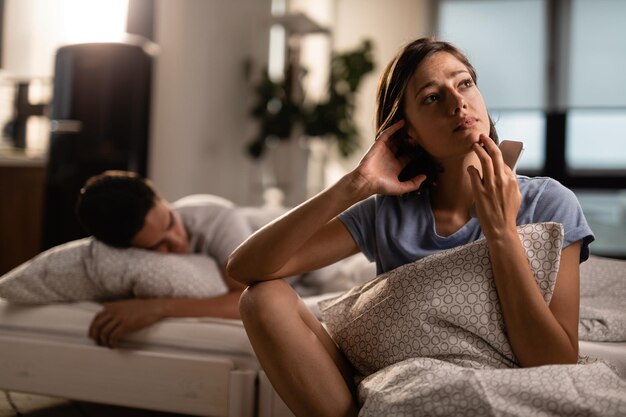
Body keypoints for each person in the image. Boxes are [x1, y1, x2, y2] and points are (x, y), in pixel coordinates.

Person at [226, 37, 594, 417]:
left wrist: (500, 232)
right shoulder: (388, 212)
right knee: (261, 298)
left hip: (487, 386)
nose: (458, 102)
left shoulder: (549, 202)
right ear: (409, 132)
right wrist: (353, 186)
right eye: (433, 97)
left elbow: (556, 365)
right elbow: (245, 270)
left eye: (464, 83)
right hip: (394, 384)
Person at [76, 170, 250, 348]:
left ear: (160, 198)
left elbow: (248, 302)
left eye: (170, 222)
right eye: (157, 246)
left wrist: (159, 308)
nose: (177, 240)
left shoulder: (220, 221)